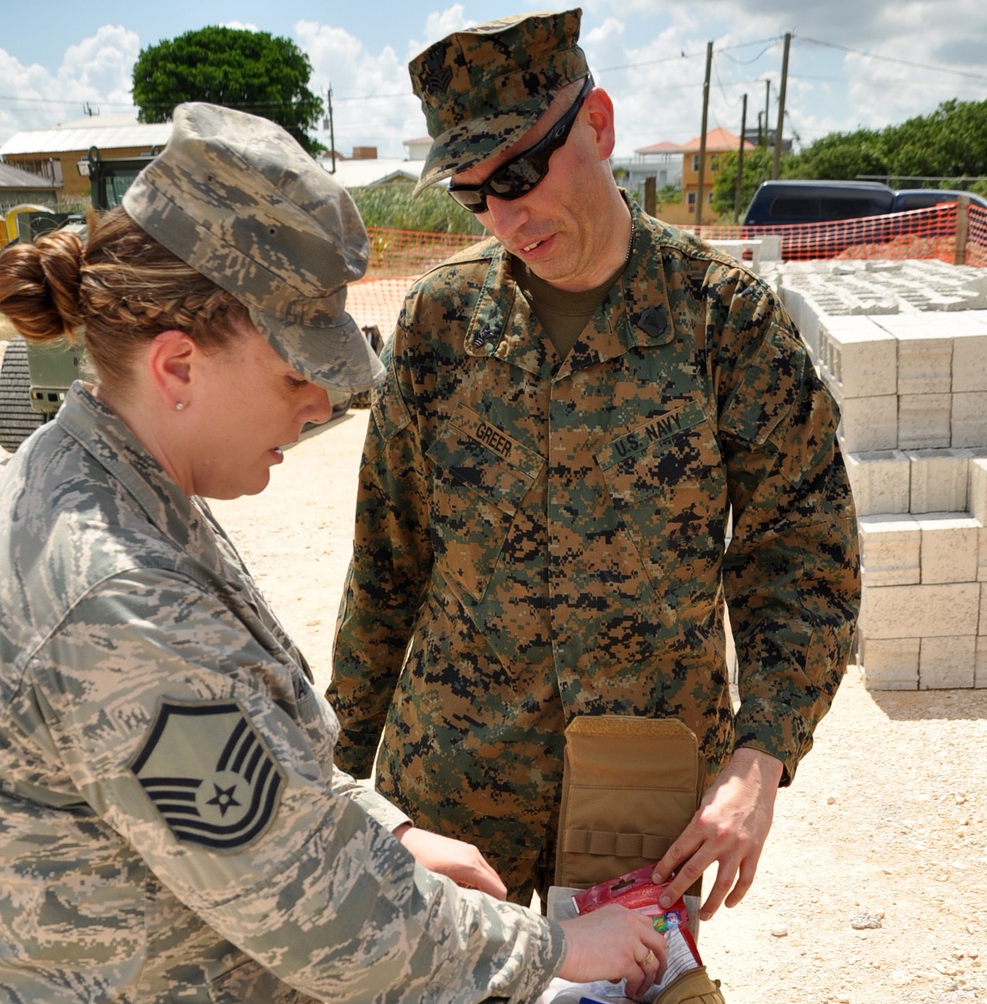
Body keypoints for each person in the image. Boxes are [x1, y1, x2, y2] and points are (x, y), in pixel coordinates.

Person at [0, 102, 666, 1004]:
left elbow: (251, 767)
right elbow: (319, 912)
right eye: (299, 375)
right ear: (178, 361)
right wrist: (548, 954)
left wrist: (389, 821)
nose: (325, 405)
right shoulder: (116, 600)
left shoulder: (121, 478)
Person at [328, 9, 860, 943]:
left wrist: (762, 755)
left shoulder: (724, 322)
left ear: (600, 125)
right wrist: (338, 784)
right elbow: (387, 564)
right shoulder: (439, 324)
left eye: (522, 173)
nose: (505, 214)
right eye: (472, 192)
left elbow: (801, 554)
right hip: (460, 776)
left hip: (642, 795)